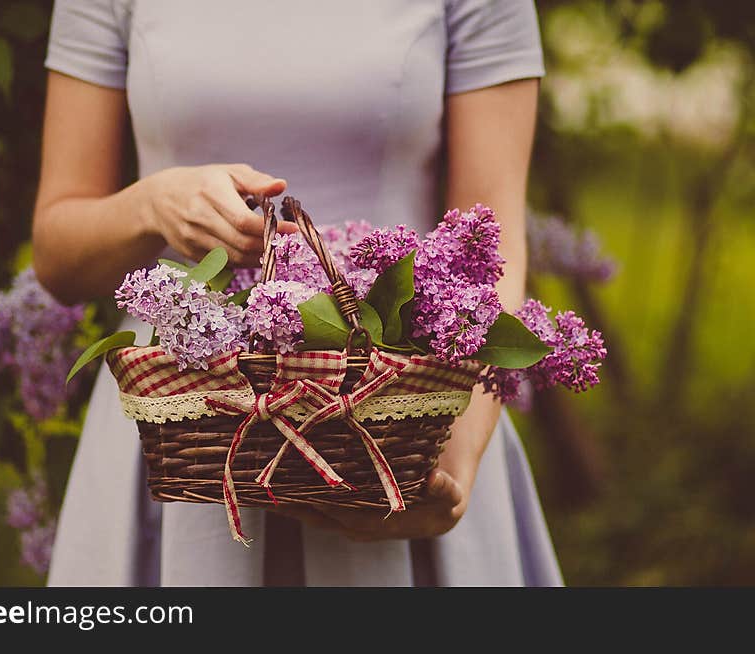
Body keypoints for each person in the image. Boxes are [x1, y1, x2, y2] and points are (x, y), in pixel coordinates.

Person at [34, 0, 562, 586]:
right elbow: (58, 255)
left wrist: (451, 468)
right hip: (182, 426)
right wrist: (150, 206)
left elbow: (492, 245)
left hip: (403, 421)